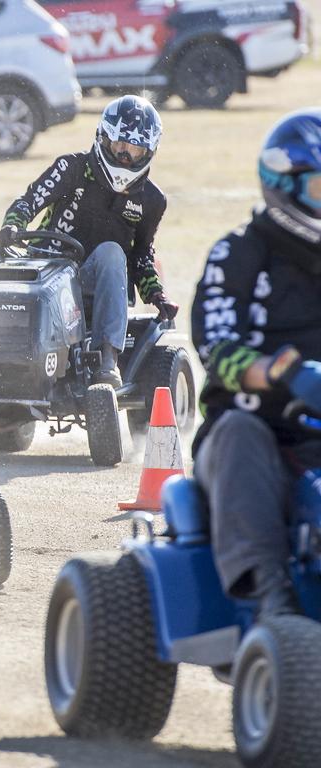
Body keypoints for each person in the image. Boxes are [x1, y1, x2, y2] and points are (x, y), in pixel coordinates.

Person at [191, 108, 321, 619]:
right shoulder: (239, 253)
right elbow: (217, 349)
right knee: (240, 431)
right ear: (283, 185)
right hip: (251, 435)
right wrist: (282, 373)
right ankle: (272, 602)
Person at [0, 94, 178, 388]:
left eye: (135, 150)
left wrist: (156, 294)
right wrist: (12, 226)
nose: (125, 156)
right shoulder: (71, 167)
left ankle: (107, 361)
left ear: (149, 151)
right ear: (103, 138)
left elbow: (142, 254)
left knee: (112, 253)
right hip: (43, 272)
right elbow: (27, 202)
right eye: (119, 145)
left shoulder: (152, 200)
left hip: (93, 285)